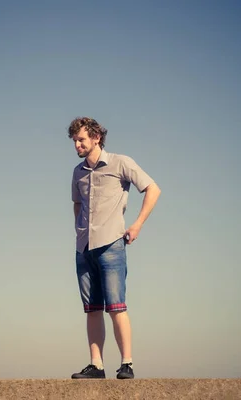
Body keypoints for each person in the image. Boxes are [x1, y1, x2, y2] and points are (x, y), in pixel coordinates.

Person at [68, 117, 161, 379]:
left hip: (111, 244)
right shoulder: (77, 172)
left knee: (117, 307)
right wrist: (79, 231)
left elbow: (153, 188)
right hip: (84, 247)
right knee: (92, 308)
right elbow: (77, 204)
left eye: (81, 140)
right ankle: (96, 365)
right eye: (74, 141)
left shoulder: (121, 162)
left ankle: (127, 364)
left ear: (96, 137)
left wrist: (138, 224)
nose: (77, 145)